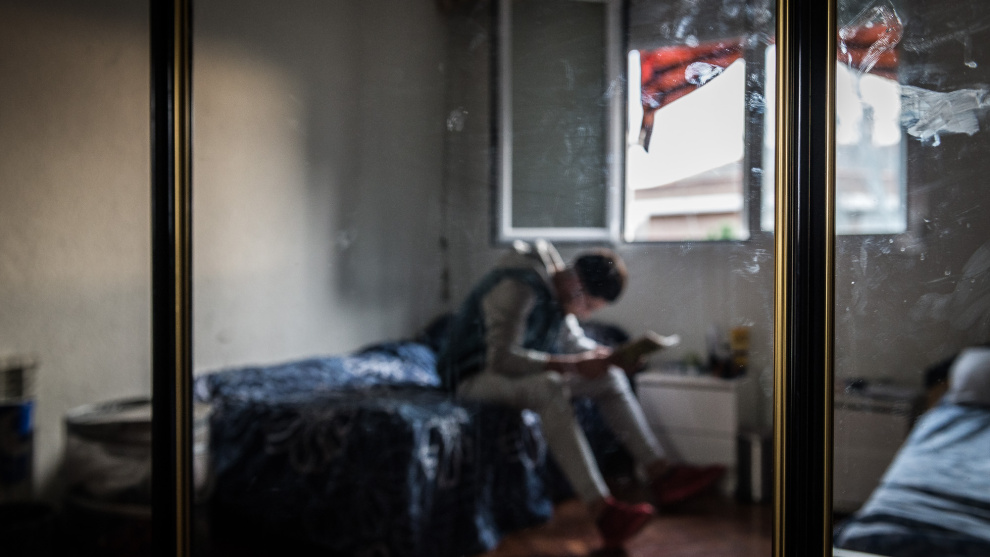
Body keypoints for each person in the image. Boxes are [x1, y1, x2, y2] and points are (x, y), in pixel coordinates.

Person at [437, 239, 725, 548]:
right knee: (549, 386)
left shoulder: (559, 291)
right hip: (471, 375)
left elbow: (574, 343)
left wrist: (610, 358)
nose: (585, 315)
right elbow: (501, 360)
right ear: (576, 286)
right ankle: (602, 511)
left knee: (610, 378)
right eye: (588, 306)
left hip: (508, 372)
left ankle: (661, 474)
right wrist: (571, 365)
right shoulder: (517, 288)